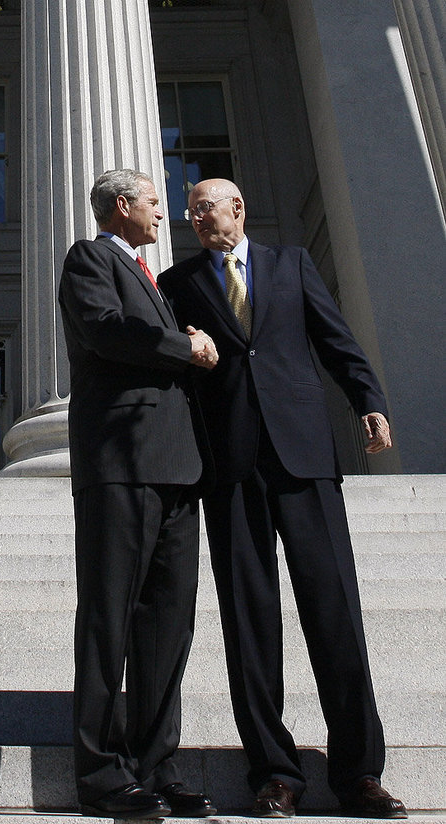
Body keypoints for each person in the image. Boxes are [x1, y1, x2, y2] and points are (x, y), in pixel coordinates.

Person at [158, 178, 407, 819]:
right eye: (188, 212)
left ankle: (359, 774)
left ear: (237, 208)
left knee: (335, 614)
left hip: (304, 460)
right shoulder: (176, 282)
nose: (194, 218)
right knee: (250, 625)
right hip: (231, 469)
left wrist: (369, 404)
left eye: (204, 207)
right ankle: (276, 773)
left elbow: (334, 341)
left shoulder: (290, 264)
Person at [59, 169, 218, 819]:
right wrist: (183, 345)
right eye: (154, 201)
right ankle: (101, 776)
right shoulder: (91, 258)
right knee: (109, 618)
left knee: (166, 627)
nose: (163, 212)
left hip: (177, 471)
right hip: (120, 465)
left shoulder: (154, 278)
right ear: (121, 206)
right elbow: (106, 330)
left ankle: (156, 767)